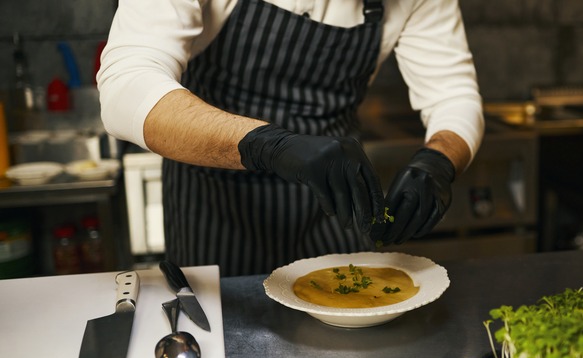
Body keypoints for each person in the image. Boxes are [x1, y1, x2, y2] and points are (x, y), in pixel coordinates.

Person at [98, 0, 484, 276]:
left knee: (354, 355)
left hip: (336, 204)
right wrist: (268, 144)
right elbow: (125, 87)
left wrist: (438, 161)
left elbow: (453, 95)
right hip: (216, 204)